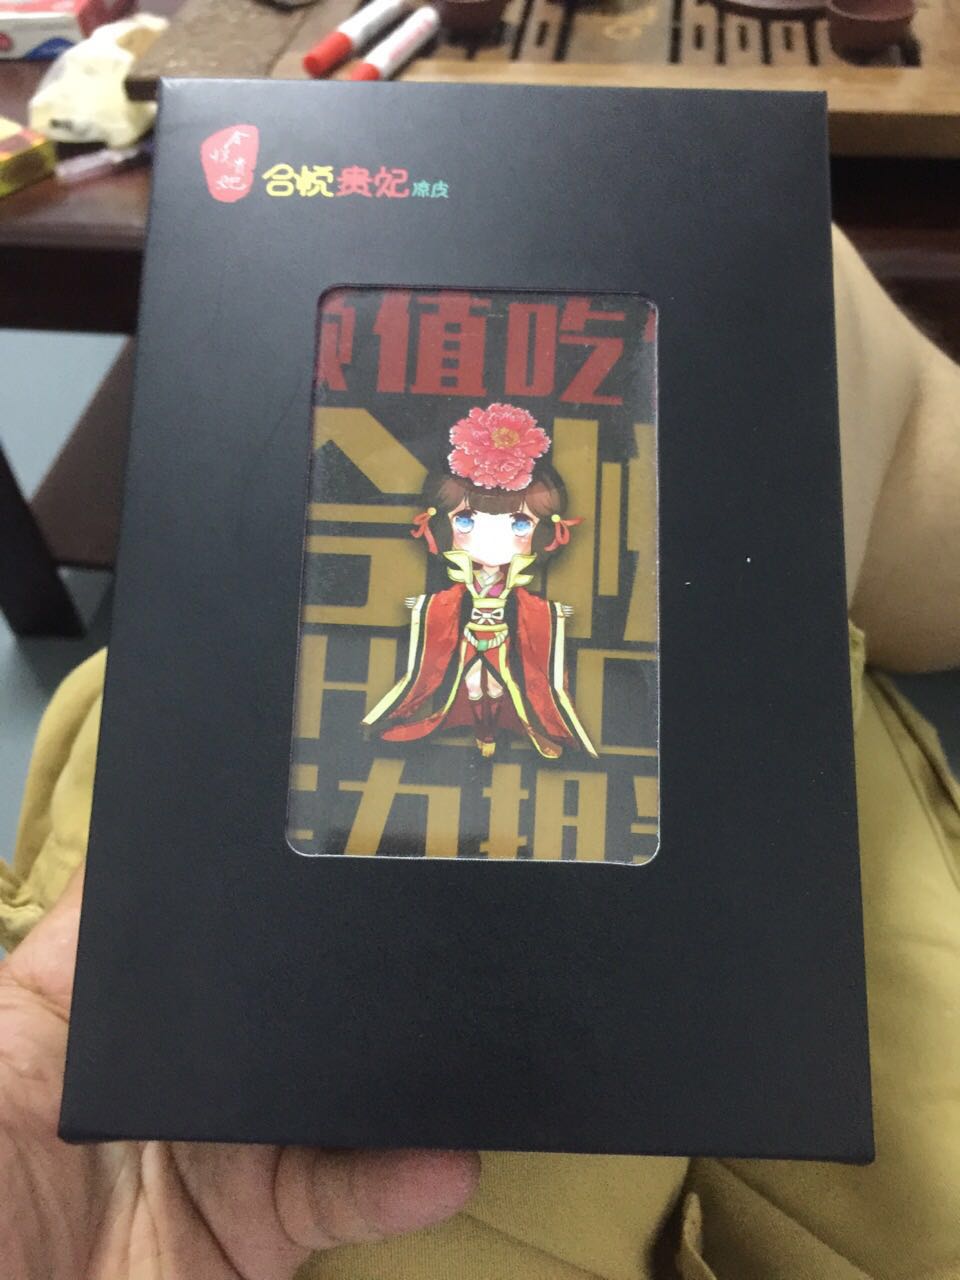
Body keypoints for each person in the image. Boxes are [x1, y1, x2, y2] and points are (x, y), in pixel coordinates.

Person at [1, 226, 959, 1279]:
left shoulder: (545, 614)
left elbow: (564, 710)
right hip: (397, 1047)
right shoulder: (437, 609)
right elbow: (403, 698)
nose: (491, 542)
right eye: (474, 528)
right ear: (444, 532)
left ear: (542, 539)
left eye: (511, 530)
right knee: (815, 305)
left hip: (186, 1101)